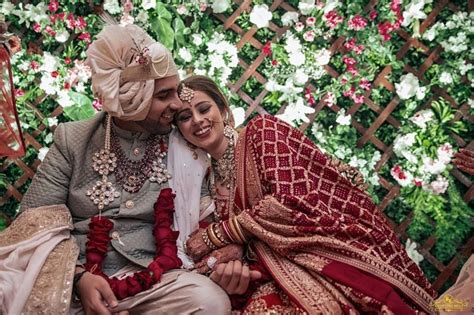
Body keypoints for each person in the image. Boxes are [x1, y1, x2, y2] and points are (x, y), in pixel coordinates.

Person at [2, 25, 230, 314]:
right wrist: (78, 278)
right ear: (132, 99)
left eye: (176, 92)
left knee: (209, 302)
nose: (176, 103)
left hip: (156, 282)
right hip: (76, 283)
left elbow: (207, 216)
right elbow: (33, 226)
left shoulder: (182, 143)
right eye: (163, 96)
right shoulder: (73, 139)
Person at [175, 75, 437, 314]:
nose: (197, 121)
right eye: (185, 117)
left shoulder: (262, 132)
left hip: (326, 250)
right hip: (274, 273)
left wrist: (218, 235)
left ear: (223, 110)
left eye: (204, 108)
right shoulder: (205, 183)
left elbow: (290, 202)